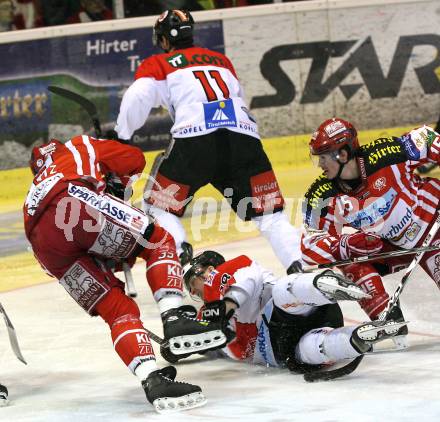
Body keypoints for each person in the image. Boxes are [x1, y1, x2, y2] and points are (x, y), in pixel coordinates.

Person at [23, 135, 233, 413]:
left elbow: (63, 246)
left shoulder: (32, 194)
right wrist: (117, 186)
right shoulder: (77, 146)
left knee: (117, 310)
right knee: (159, 242)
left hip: (44, 247)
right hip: (76, 198)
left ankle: (153, 380)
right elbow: (134, 158)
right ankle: (174, 318)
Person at [115, 9, 302, 272]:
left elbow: (137, 96)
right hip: (243, 139)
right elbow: (239, 98)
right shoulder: (222, 61)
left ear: (164, 40)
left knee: (158, 206)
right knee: (270, 215)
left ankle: (179, 254)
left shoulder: (158, 63)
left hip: (195, 144)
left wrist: (121, 136)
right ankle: (299, 265)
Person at [301, 118, 440, 344]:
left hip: (434, 228)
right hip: (393, 247)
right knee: (346, 260)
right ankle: (387, 319)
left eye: (324, 157)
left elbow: (427, 137)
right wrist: (344, 245)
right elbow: (308, 247)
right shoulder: (321, 195)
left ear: (343, 154)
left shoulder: (389, 154)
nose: (320, 165)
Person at [171, 250, 406, 374]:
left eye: (194, 284)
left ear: (209, 270)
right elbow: (216, 346)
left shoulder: (236, 267)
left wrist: (225, 308)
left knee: (283, 290)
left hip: (297, 308)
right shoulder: (207, 315)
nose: (195, 292)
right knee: (308, 350)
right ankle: (356, 337)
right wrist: (179, 346)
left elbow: (245, 283)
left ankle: (323, 287)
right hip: (278, 350)